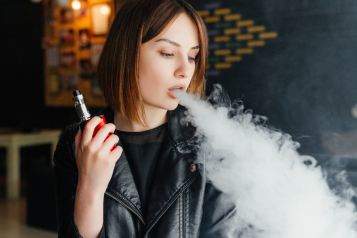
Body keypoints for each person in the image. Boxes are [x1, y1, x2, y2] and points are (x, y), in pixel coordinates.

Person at [53, 0, 237, 237]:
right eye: (168, 53)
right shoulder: (77, 143)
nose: (185, 70)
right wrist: (90, 188)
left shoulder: (213, 145)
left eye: (192, 56)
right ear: (126, 54)